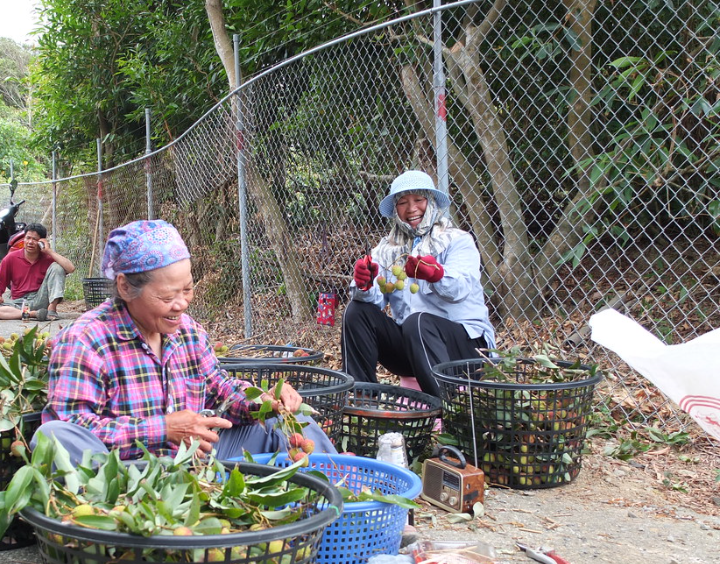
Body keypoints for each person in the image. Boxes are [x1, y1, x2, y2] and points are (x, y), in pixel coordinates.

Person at [38, 219, 337, 464]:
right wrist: (162, 429)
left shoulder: (189, 332)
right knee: (53, 436)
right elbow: (75, 424)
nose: (181, 304)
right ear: (126, 287)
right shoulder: (87, 340)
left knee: (293, 424)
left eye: (188, 290)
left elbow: (221, 392)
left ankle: (343, 508)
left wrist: (261, 400)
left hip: (199, 461)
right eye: (167, 297)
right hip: (129, 471)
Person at [342, 170, 496, 396]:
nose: (411, 208)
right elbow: (373, 300)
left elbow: (461, 287)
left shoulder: (457, 240)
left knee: (418, 321)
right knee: (356, 311)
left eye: (419, 200)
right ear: (396, 209)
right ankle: (362, 399)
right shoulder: (388, 250)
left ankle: (447, 408)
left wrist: (436, 275)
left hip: (467, 351)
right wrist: (364, 284)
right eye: (402, 203)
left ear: (431, 202)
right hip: (414, 349)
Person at [0, 223, 75, 321]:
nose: (30, 242)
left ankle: (51, 310)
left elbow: (71, 268)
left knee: (57, 267)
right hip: (19, 303)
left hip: (41, 299)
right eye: (28, 238)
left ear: (42, 241)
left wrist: (49, 251)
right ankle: (33, 314)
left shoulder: (48, 259)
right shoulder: (11, 258)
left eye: (35, 239)